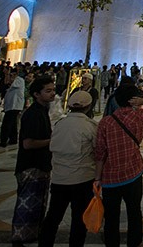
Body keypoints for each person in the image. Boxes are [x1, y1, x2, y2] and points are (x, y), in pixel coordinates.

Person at [94, 84, 143, 247]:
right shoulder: (139, 117)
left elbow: (100, 153)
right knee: (134, 211)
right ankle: (135, 243)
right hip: (133, 173)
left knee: (111, 216)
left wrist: (97, 178)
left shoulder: (105, 123)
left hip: (111, 178)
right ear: (134, 100)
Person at [39, 91, 97, 247]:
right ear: (89, 106)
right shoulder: (90, 126)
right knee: (79, 218)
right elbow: (97, 150)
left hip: (59, 178)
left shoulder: (60, 124)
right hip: (82, 178)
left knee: (53, 216)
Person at [10, 76, 56, 246]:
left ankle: (31, 234)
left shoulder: (42, 110)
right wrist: (53, 141)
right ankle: (20, 238)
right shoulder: (33, 114)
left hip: (41, 163)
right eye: (48, 91)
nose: (53, 93)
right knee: (27, 204)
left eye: (53, 90)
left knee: (38, 203)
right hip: (31, 165)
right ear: (36, 94)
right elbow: (28, 143)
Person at [0, 67, 26, 147]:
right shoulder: (16, 80)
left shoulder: (19, 80)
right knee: (13, 123)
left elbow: (10, 82)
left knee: (7, 124)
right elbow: (6, 83)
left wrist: (8, 74)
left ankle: (3, 141)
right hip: (11, 105)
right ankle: (13, 139)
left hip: (15, 105)